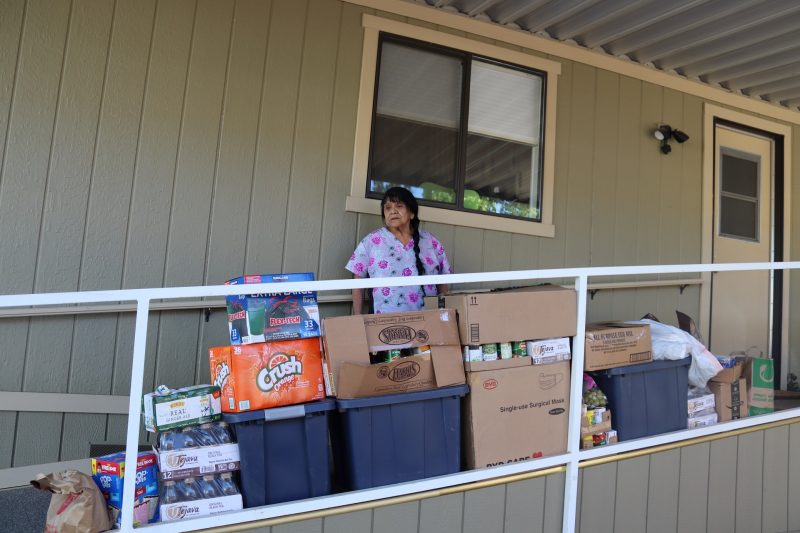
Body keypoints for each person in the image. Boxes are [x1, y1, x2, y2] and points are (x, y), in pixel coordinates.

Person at [346, 186, 452, 314]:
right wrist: (357, 318)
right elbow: (357, 283)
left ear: (412, 213)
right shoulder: (372, 241)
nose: (393, 211)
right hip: (384, 323)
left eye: (399, 206)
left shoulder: (431, 242)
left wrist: (444, 315)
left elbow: (443, 283)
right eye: (388, 207)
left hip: (428, 320)